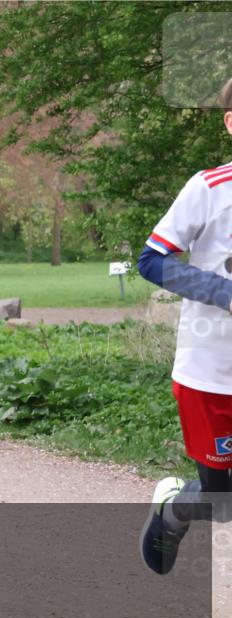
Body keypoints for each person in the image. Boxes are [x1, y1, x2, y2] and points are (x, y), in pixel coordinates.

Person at [137, 77, 232, 575]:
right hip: (211, 372)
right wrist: (227, 295)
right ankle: (174, 511)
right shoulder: (209, 189)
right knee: (224, 501)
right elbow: (152, 261)